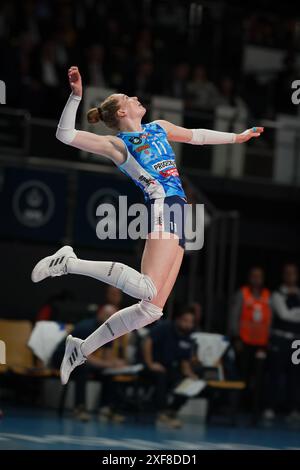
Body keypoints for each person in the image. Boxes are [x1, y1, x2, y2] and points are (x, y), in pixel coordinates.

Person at [31, 65, 264, 386]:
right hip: (161, 206)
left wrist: (237, 138)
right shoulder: (119, 145)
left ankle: (81, 348)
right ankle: (69, 262)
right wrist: (76, 97)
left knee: (151, 310)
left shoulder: (158, 127)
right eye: (129, 97)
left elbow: (196, 137)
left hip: (181, 214)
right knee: (145, 288)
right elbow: (65, 135)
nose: (137, 97)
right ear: (123, 111)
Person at [51, 304, 127, 422]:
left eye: (113, 317)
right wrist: (108, 364)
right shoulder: (86, 327)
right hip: (62, 358)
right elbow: (84, 356)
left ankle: (105, 408)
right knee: (83, 369)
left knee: (108, 373)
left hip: (81, 359)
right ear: (100, 314)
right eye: (108, 316)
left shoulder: (110, 330)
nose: (111, 319)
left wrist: (114, 363)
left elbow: (106, 359)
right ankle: (79, 408)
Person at [141, 307, 197, 428]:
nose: (188, 324)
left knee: (188, 382)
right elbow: (148, 341)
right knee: (162, 376)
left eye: (191, 322)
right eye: (185, 321)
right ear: (178, 319)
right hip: (151, 366)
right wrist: (150, 364)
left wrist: (190, 375)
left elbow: (185, 361)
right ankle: (161, 412)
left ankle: (171, 411)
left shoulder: (188, 337)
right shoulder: (164, 327)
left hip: (170, 368)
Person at [229, 266, 272, 418]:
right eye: (254, 275)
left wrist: (268, 342)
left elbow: (270, 320)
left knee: (259, 378)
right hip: (244, 342)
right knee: (242, 376)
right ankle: (237, 408)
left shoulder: (268, 295)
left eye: (259, 276)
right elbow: (234, 316)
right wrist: (236, 338)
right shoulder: (243, 293)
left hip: (261, 344)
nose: (256, 279)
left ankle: (255, 410)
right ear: (249, 277)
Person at [263, 263, 300, 422]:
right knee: (275, 374)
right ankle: (270, 407)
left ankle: (293, 409)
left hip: (296, 342)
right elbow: (283, 314)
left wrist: (293, 314)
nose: (290, 276)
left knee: (295, 376)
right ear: (283, 275)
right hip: (279, 339)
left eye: (293, 273)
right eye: (287, 273)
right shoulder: (276, 294)